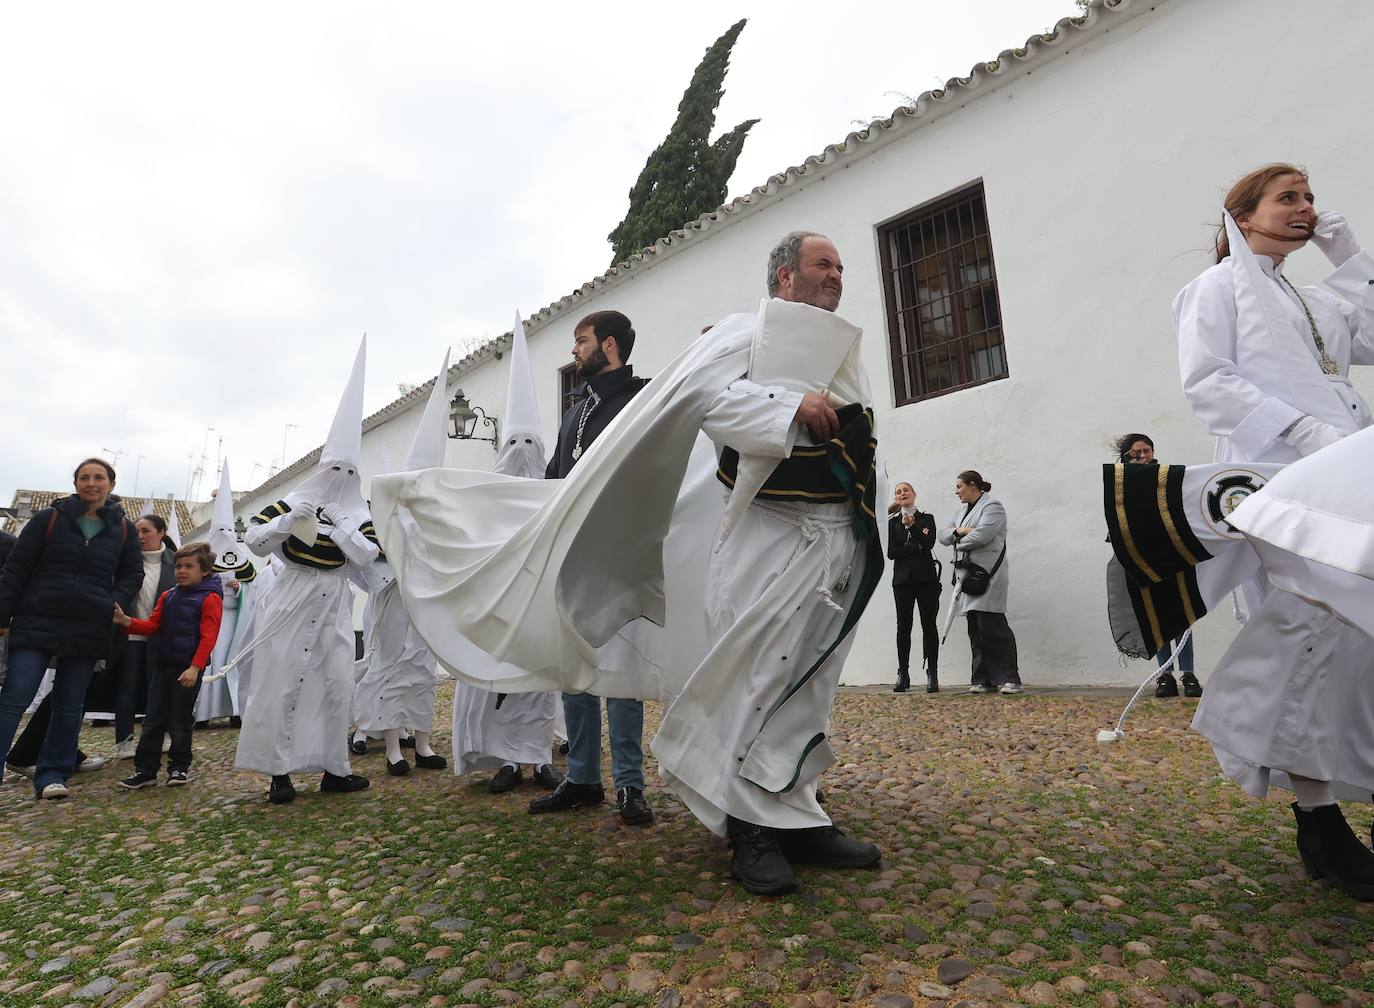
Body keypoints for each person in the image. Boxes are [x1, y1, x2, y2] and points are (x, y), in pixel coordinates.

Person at [370, 230, 885, 897]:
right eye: (822, 264)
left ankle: (798, 811)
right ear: (784, 276)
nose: (836, 274)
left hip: (830, 540)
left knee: (809, 685)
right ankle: (749, 828)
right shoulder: (743, 334)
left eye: (841, 266)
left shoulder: (844, 349)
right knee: (753, 679)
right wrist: (788, 405)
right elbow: (706, 403)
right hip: (767, 539)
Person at [1175, 163, 1374, 898]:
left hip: (1344, 477)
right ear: (1244, 213)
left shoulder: (1314, 295)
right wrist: (1306, 432)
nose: (1305, 208)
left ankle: (1335, 806)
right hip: (1280, 478)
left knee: (1356, 638)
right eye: (1288, 198)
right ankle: (1318, 818)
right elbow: (1208, 380)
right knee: (1304, 637)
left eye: (1311, 198)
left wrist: (1349, 257)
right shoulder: (1215, 288)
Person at [235, 339, 374, 804]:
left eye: (347, 468)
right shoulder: (293, 501)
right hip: (291, 596)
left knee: (336, 683)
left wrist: (339, 528)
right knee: (282, 681)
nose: (338, 475)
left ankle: (335, 768)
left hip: (334, 600)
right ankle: (279, 772)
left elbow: (368, 557)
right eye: (332, 466)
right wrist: (288, 520)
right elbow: (253, 540)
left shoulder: (358, 513)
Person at [529, 310, 653, 826]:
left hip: (620, 551)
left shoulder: (644, 399)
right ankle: (582, 778)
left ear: (608, 344)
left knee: (621, 669)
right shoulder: (572, 413)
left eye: (579, 342)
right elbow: (555, 478)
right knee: (573, 668)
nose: (573, 351)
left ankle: (629, 784)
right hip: (572, 555)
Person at [0, 459, 143, 799]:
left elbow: (132, 573)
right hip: (38, 619)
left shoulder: (124, 529)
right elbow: (16, 568)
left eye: (98, 477)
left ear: (110, 484)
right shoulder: (47, 519)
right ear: (76, 482)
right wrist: (3, 617)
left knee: (69, 704)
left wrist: (113, 601)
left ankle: (52, 774)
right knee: (13, 699)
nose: (91, 483)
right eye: (84, 477)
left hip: (88, 625)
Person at [114, 542, 223, 788]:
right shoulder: (169, 595)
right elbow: (152, 626)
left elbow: (209, 636)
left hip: (186, 670)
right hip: (162, 667)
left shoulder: (210, 598)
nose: (182, 571)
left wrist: (195, 667)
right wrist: (126, 621)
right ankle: (145, 770)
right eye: (178, 566)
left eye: (189, 567)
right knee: (152, 720)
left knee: (180, 721)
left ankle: (179, 767)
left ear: (204, 570)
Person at [1112, 433, 1203, 698]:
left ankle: (1187, 672)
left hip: (1171, 554)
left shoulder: (1167, 478)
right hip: (1144, 557)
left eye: (1147, 451)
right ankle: (1165, 673)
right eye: (1136, 452)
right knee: (1157, 619)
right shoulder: (1121, 482)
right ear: (1127, 455)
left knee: (1183, 616)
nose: (1143, 456)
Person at [937, 471, 1020, 695]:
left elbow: (982, 536)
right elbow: (942, 536)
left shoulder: (993, 507)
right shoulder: (962, 511)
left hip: (988, 575)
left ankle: (1011, 678)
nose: (957, 491)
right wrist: (959, 531)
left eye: (959, 486)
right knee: (975, 628)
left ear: (973, 485)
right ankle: (983, 679)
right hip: (968, 577)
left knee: (994, 627)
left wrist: (957, 541)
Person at [108, 513, 178, 758]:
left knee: (159, 688)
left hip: (162, 636)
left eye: (146, 531)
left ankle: (163, 734)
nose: (140, 536)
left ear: (161, 533)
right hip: (130, 635)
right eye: (137, 531)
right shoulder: (126, 561)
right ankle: (124, 740)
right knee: (127, 687)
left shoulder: (175, 562)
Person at [888, 482, 941, 693]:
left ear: (914, 494)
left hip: (926, 580)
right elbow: (891, 552)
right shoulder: (892, 523)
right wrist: (913, 547)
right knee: (903, 627)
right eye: (898, 491)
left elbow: (928, 544)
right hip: (902, 581)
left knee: (929, 625)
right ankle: (903, 672)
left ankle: (932, 673)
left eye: (906, 490)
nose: (902, 494)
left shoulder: (927, 519)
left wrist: (912, 528)